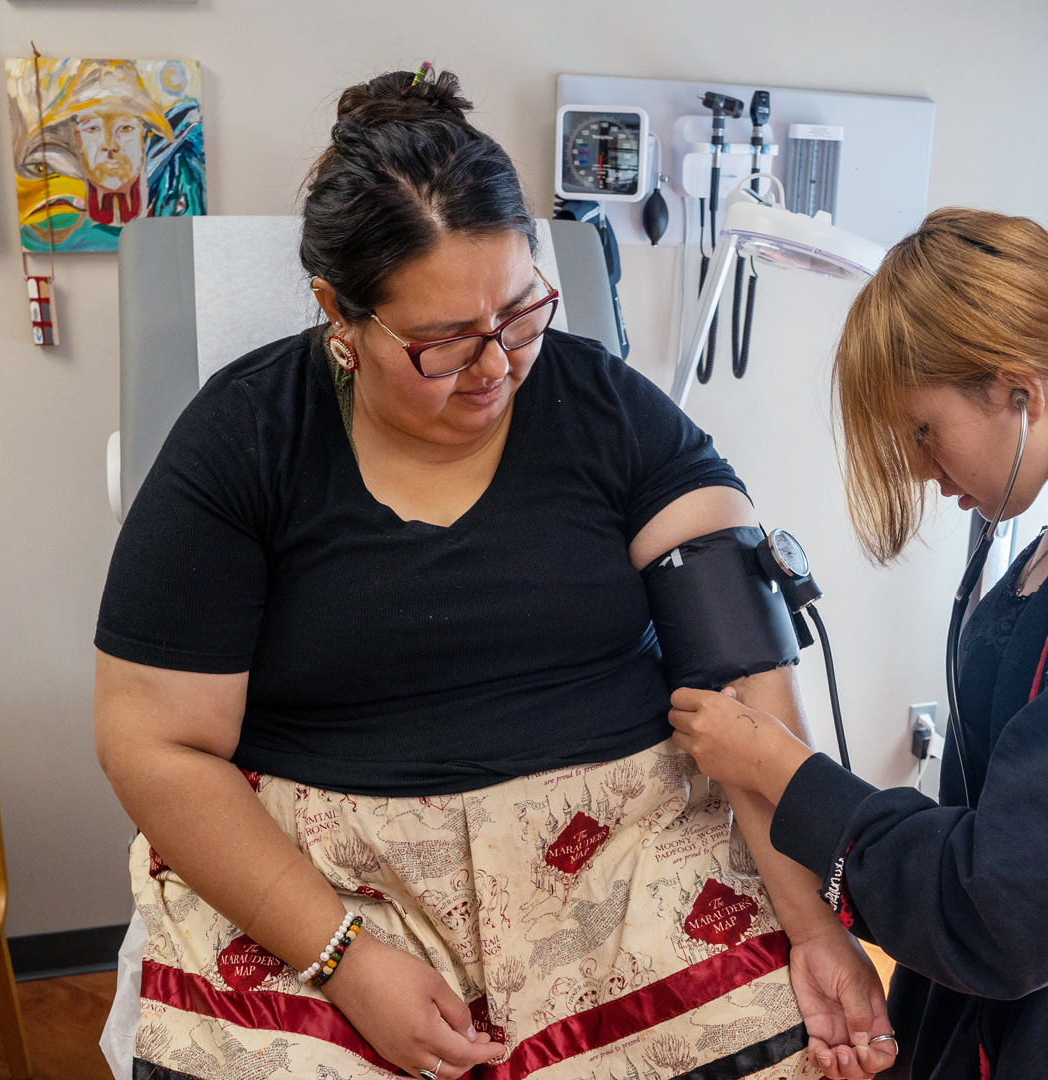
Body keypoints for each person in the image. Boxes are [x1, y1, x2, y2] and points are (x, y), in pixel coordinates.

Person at [92, 67, 897, 1080]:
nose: (497, 367)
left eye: (521, 314)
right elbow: (151, 743)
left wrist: (817, 928)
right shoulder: (240, 442)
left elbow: (746, 684)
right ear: (338, 314)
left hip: (620, 849)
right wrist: (341, 959)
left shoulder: (608, 409)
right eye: (442, 343)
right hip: (339, 874)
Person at [668, 208, 1048, 1080]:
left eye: (924, 431)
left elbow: (1013, 908)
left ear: (1019, 392)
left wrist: (780, 768)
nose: (923, 467)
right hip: (989, 1007)